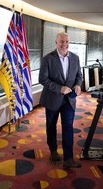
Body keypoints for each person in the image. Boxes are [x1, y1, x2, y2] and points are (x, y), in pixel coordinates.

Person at [39, 32, 83, 169]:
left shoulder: (75, 58)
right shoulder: (48, 59)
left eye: (67, 41)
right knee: (51, 126)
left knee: (68, 127)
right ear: (56, 43)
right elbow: (43, 79)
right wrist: (59, 88)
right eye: (61, 41)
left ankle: (68, 158)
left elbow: (79, 76)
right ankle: (53, 151)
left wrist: (78, 85)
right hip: (53, 99)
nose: (65, 44)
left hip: (69, 100)